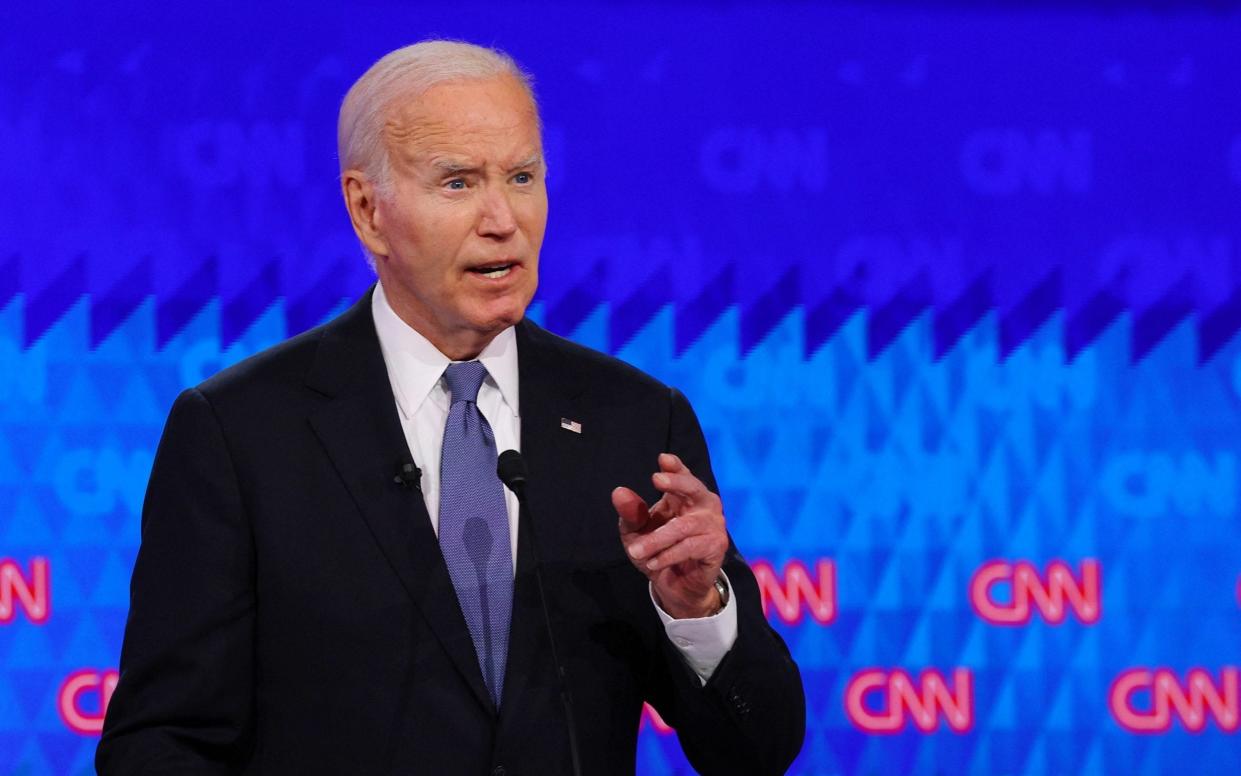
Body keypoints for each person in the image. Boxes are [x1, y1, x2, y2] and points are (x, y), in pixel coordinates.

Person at [97, 40, 804, 775]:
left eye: (523, 177)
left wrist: (697, 609)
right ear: (368, 210)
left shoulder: (634, 421)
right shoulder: (240, 434)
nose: (503, 218)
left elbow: (756, 751)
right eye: (459, 183)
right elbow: (159, 743)